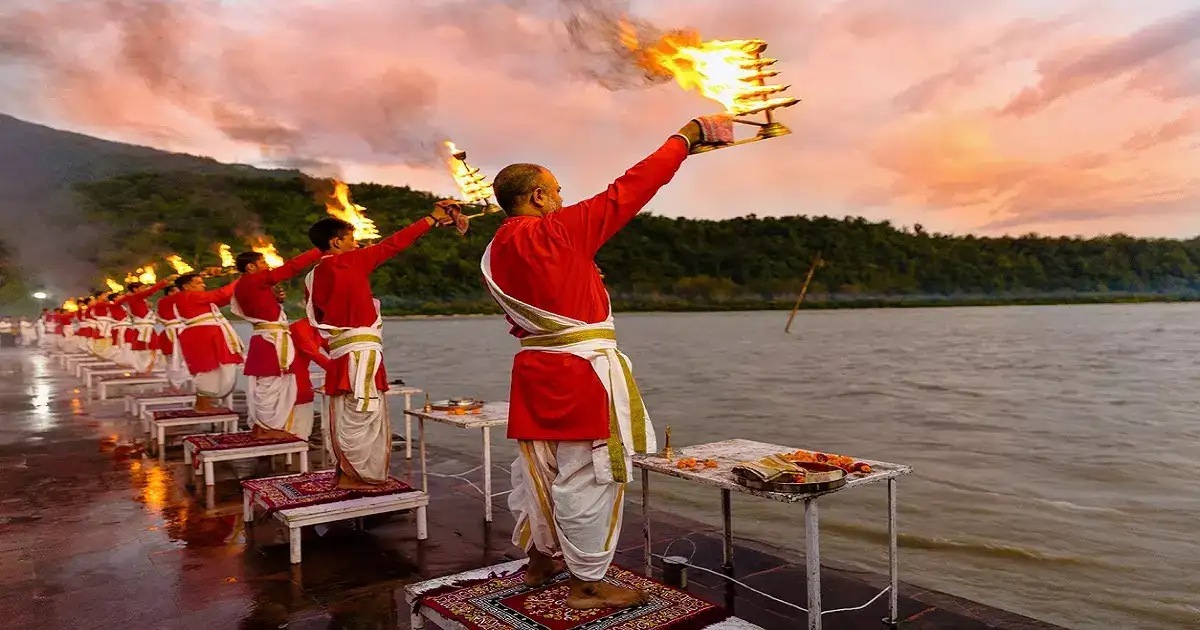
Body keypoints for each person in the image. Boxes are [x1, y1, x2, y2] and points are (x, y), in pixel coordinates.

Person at [476, 116, 732, 609]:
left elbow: (535, 313)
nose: (562, 198)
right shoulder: (558, 231)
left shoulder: (494, 251)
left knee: (536, 470)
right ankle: (587, 584)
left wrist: (582, 272)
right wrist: (684, 138)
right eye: (556, 190)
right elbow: (630, 189)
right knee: (589, 475)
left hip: (533, 372)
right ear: (536, 198)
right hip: (580, 375)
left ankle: (540, 559)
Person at [305, 204, 462, 489]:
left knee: (346, 413)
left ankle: (345, 472)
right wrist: (430, 218)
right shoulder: (350, 262)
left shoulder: (312, 276)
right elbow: (394, 243)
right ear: (336, 242)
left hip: (341, 352)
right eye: (351, 239)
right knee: (363, 414)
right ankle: (356, 477)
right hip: (360, 353)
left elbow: (320, 316)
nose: (357, 243)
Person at [230, 247, 321, 440]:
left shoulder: (245, 284)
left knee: (268, 385)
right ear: (251, 267)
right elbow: (291, 267)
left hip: (265, 339)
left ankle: (263, 426)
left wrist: (274, 300)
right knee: (269, 385)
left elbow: (261, 309)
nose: (267, 266)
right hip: (269, 341)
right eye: (262, 262)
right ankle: (266, 428)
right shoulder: (254, 280)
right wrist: (319, 250)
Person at [174, 271, 243, 411]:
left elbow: (223, 298)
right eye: (198, 283)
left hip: (204, 335)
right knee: (206, 369)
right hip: (201, 336)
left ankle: (205, 403)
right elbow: (221, 294)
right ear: (186, 286)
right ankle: (202, 405)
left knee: (213, 369)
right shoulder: (188, 296)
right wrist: (243, 279)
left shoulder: (194, 297)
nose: (203, 285)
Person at [287, 299, 331, 441]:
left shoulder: (315, 329)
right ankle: (293, 441)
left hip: (300, 374)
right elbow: (314, 354)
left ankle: (300, 440)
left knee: (306, 400)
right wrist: (339, 370)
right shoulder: (300, 328)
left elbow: (332, 349)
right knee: (300, 400)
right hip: (289, 375)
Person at [116, 279, 173, 373]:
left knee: (151, 348)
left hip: (146, 327)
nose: (145, 289)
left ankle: (146, 369)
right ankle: (145, 370)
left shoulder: (138, 298)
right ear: (135, 289)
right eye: (142, 288)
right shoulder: (136, 296)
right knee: (147, 349)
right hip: (143, 328)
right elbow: (150, 291)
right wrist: (164, 282)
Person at [154, 285, 190, 391]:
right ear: (169, 293)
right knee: (176, 360)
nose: (179, 294)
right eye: (177, 292)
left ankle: (176, 384)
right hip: (174, 332)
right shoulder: (166, 301)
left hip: (174, 332)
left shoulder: (164, 301)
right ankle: (176, 385)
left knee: (174, 360)